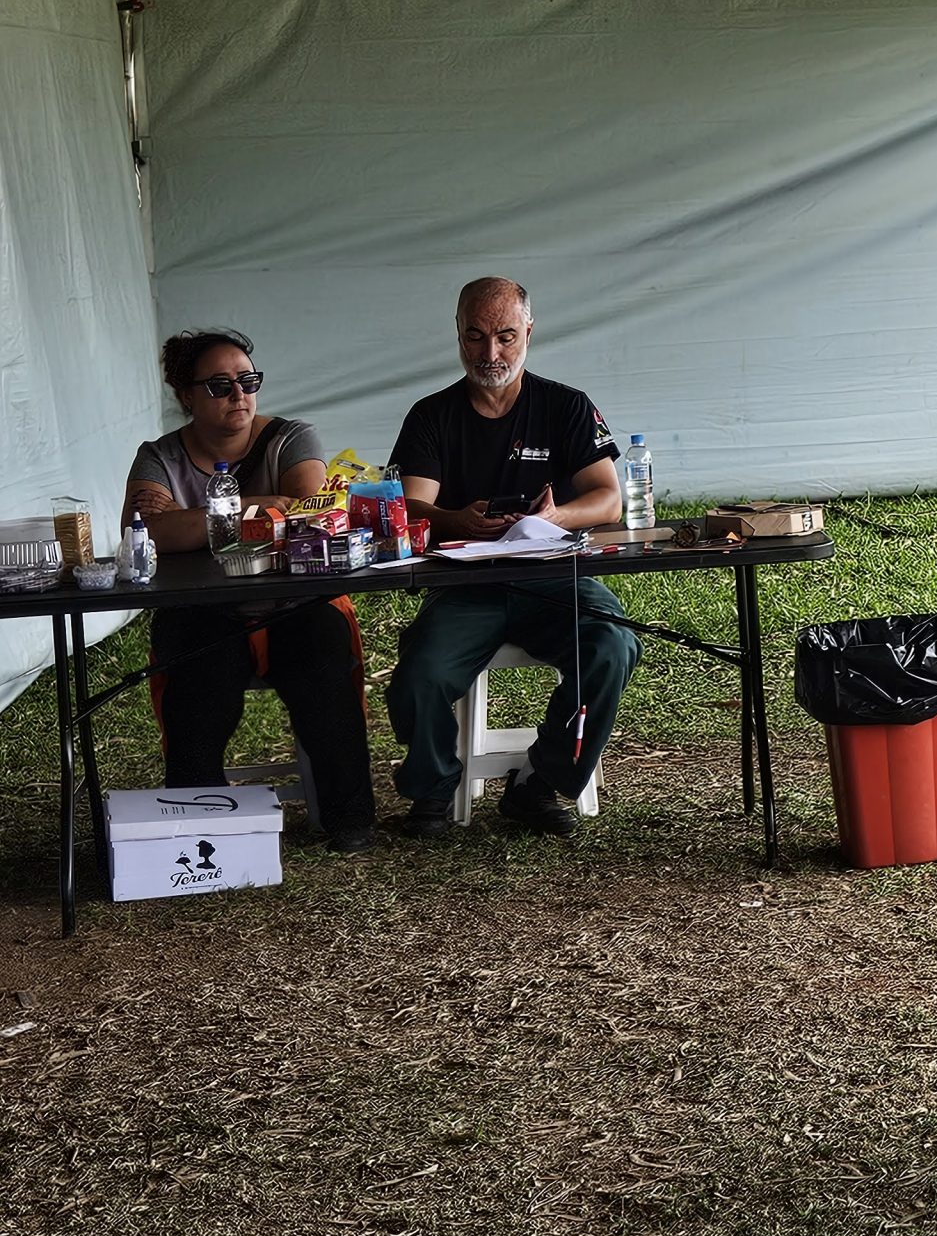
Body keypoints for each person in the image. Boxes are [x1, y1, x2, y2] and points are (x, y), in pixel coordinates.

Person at [384, 277, 639, 839]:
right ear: (458, 334)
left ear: (528, 331)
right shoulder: (432, 415)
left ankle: (539, 782)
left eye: (505, 336)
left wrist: (554, 517)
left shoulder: (565, 406)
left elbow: (607, 499)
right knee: (421, 673)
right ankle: (432, 787)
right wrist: (456, 520)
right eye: (475, 337)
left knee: (612, 644)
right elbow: (412, 504)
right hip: (466, 585)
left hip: (555, 577)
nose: (490, 353)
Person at [123, 329, 377, 851]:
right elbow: (146, 533)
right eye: (220, 386)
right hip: (203, 609)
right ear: (186, 395)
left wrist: (194, 522)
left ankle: (350, 819)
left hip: (296, 601)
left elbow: (305, 514)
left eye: (248, 381)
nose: (239, 394)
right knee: (196, 691)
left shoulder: (291, 438)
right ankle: (200, 825)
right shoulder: (159, 456)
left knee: (324, 670)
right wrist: (246, 506)